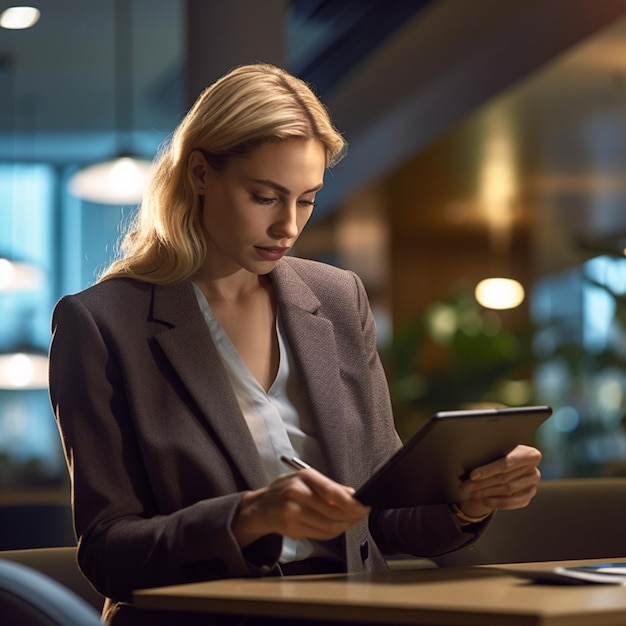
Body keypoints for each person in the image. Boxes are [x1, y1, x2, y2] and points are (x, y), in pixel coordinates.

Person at [48, 63, 542, 624]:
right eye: (265, 197)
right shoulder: (100, 323)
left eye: (306, 200)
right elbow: (109, 553)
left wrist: (465, 502)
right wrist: (248, 517)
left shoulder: (336, 297)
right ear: (201, 173)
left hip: (347, 611)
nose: (289, 225)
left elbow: (379, 516)